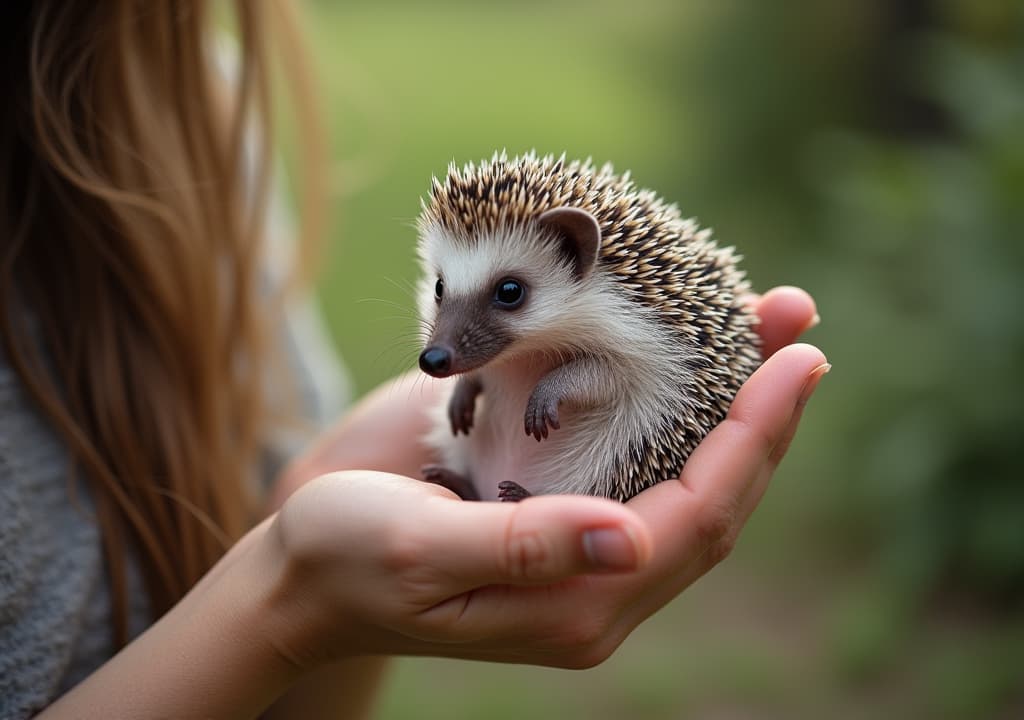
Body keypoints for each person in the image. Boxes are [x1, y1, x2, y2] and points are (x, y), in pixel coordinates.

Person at [0, 2, 827, 718]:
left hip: (597, 434)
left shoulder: (186, 99)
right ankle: (485, 484)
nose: (443, 336)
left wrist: (561, 382)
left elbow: (629, 375)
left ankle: (495, 490)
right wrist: (289, 601)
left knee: (565, 422)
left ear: (577, 259)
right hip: (499, 457)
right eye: (442, 293)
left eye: (506, 296)